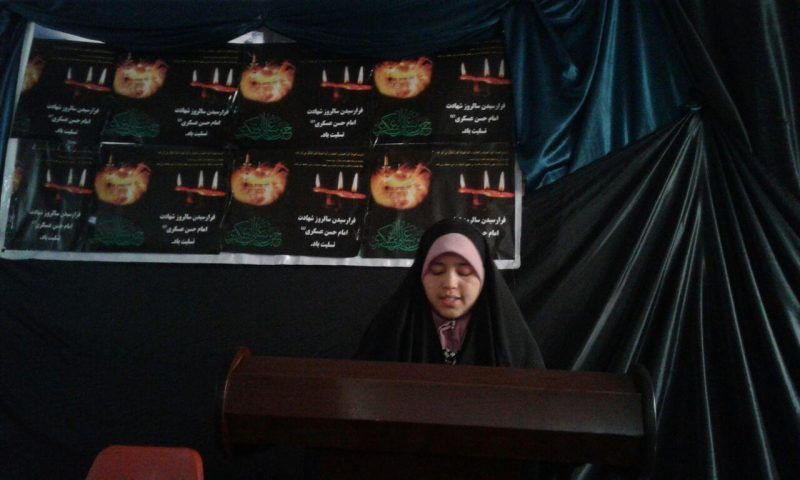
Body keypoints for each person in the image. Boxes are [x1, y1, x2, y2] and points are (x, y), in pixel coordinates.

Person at [355, 218, 544, 368]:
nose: (450, 284)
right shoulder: (389, 333)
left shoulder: (510, 340)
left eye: (464, 272)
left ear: (483, 277)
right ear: (421, 274)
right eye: (437, 271)